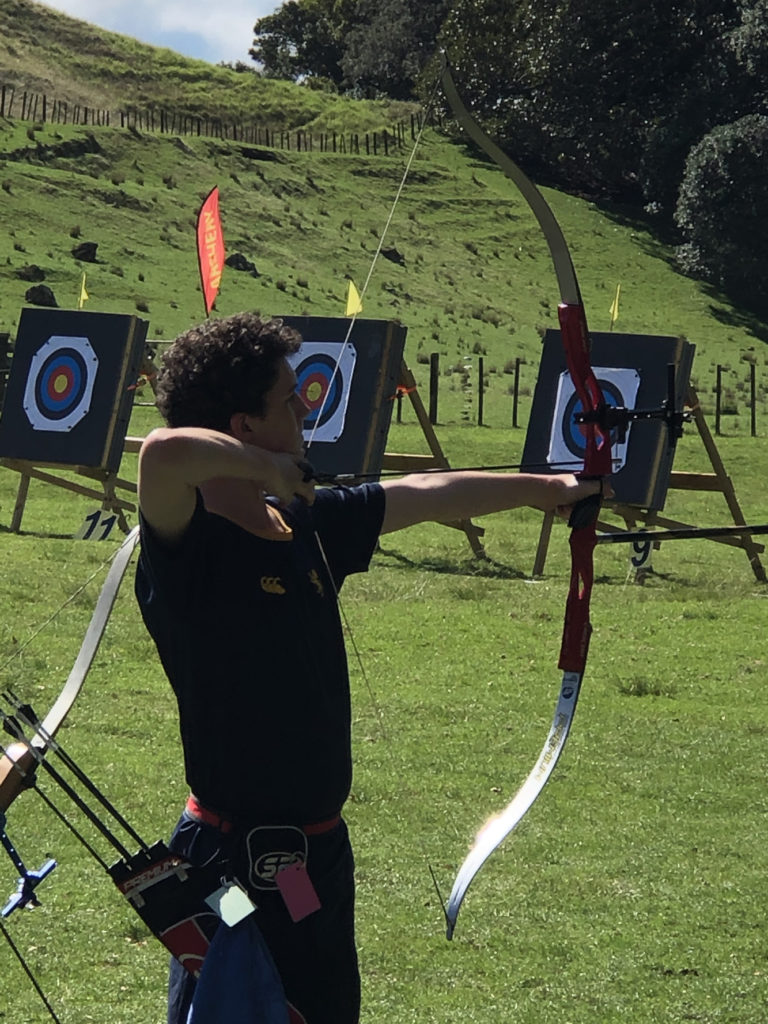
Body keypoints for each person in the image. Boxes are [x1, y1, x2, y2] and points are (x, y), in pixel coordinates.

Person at [135, 311, 604, 1024]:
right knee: (237, 1005)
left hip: (314, 862)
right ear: (245, 425)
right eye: (290, 398)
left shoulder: (306, 525)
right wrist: (267, 468)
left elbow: (427, 494)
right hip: (227, 865)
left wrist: (553, 488)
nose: (305, 406)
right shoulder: (185, 547)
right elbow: (162, 455)